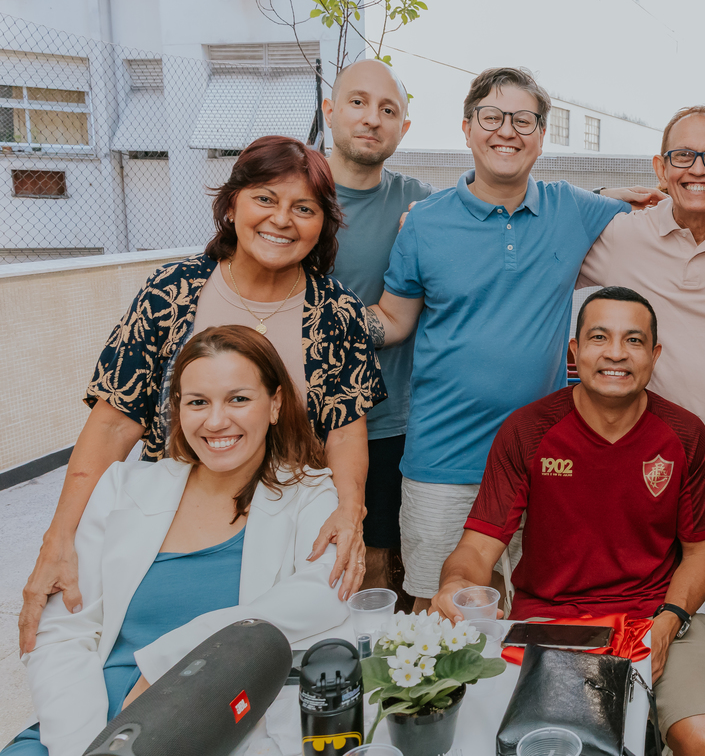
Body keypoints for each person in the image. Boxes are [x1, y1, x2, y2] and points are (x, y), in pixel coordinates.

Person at [18, 136, 386, 656]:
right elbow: (111, 425)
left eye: (303, 208)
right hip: (172, 518)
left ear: (322, 223)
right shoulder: (172, 291)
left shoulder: (336, 311)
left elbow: (346, 431)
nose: (282, 219)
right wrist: (58, 538)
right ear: (231, 203)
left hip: (283, 520)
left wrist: (350, 512)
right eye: (264, 198)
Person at [367, 67, 666, 609]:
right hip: (442, 463)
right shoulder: (425, 223)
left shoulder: (571, 208)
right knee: (439, 617)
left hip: (545, 462)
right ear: (467, 128)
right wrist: (319, 321)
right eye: (492, 117)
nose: (508, 130)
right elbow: (394, 319)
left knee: (540, 610)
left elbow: (669, 203)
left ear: (541, 135)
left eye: (524, 120)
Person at [6, 326, 351, 756]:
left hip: (211, 727)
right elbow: (63, 632)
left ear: (275, 404)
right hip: (81, 721)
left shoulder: (309, 493)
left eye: (238, 399)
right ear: (177, 409)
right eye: (198, 402)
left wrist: (172, 661)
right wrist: (85, 747)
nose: (216, 420)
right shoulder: (122, 486)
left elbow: (323, 593)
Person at [431, 287, 705, 756]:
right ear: (574, 353)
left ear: (654, 355)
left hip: (657, 617)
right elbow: (478, 546)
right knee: (542, 741)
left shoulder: (685, 434)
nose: (616, 353)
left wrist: (669, 622)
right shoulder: (527, 431)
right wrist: (454, 586)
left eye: (633, 341)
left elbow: (701, 553)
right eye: (599, 337)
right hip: (550, 622)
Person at [577, 105, 705, 739]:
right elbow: (543, 227)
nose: (698, 169)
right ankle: (635, 722)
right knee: (646, 593)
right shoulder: (619, 235)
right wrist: (601, 195)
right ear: (660, 167)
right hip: (650, 458)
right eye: (683, 157)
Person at [323, 58, 434, 597]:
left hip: (389, 420)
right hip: (299, 420)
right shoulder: (291, 199)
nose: (372, 119)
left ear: (403, 127)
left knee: (380, 564)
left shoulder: (420, 203)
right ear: (330, 110)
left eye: (388, 109)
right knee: (309, 561)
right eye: (358, 103)